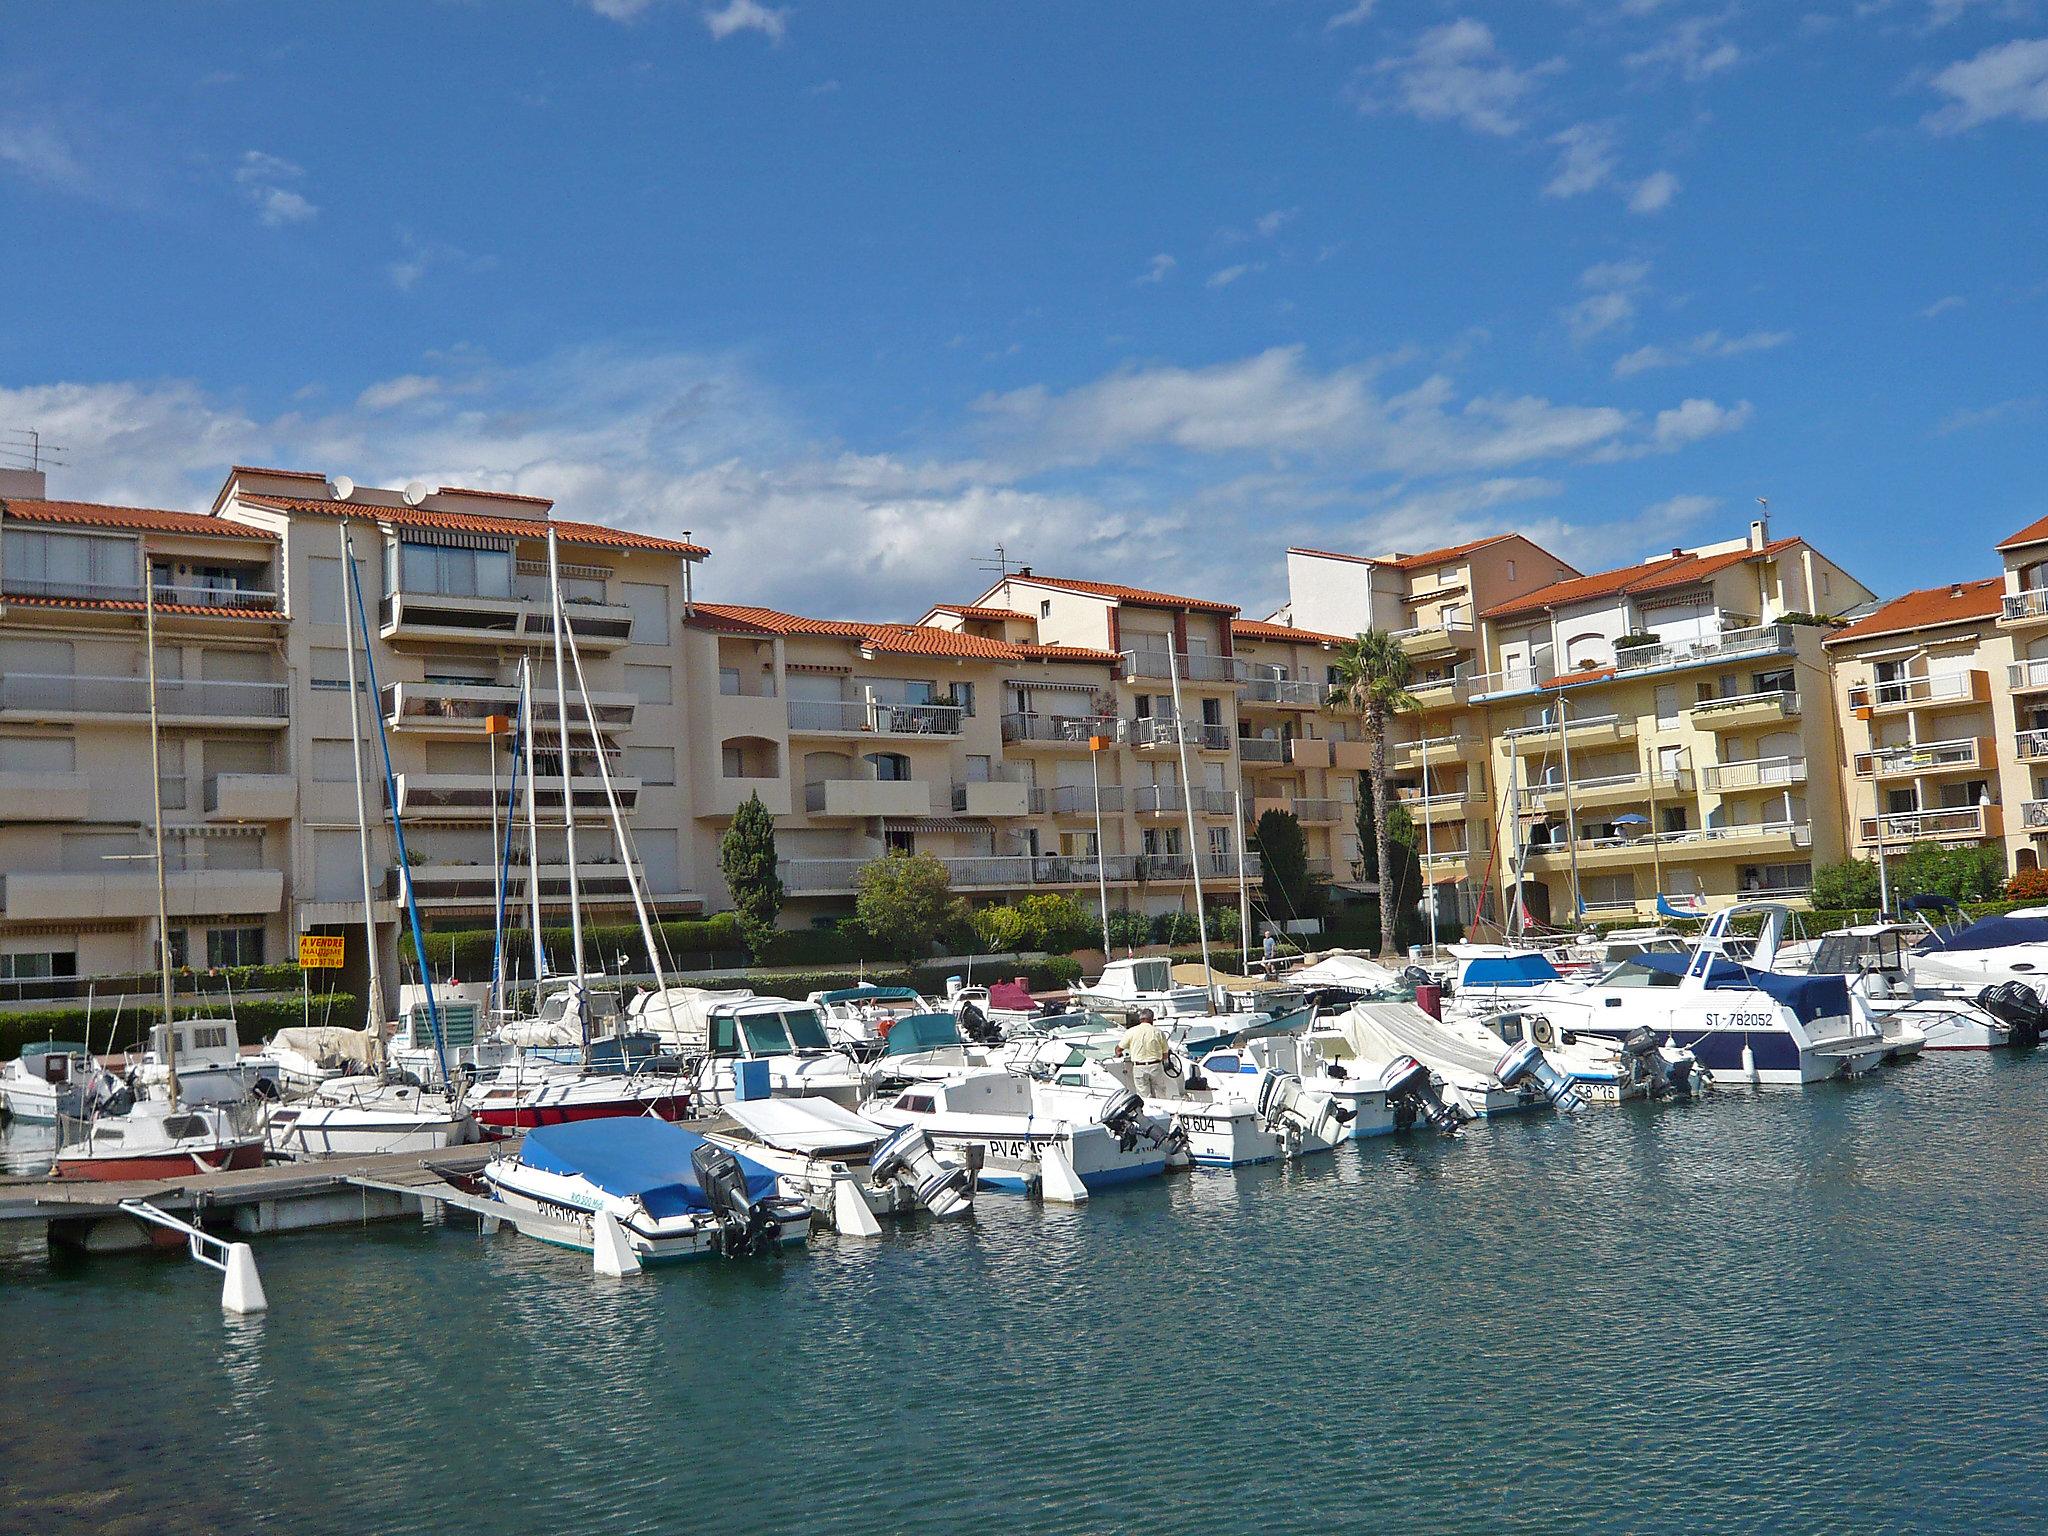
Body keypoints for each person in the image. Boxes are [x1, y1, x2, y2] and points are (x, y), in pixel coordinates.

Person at [1116, 1008, 1171, 1100]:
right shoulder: (1158, 1032)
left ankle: (1148, 1112)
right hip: (1155, 1066)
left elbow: (1118, 1049)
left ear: (1140, 1019)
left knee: (1144, 1096)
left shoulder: (1131, 1031)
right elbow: (1165, 1055)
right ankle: (1163, 1112)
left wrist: (1120, 1054)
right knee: (1160, 1094)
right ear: (1151, 1019)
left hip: (1139, 1067)